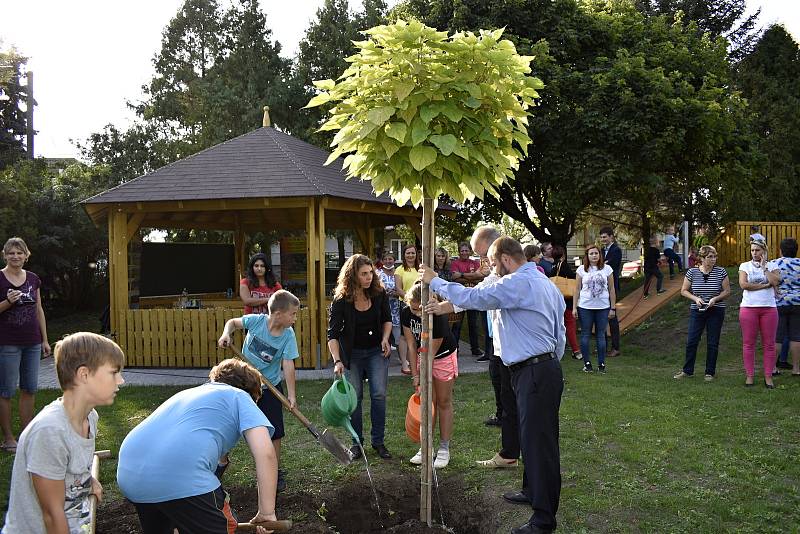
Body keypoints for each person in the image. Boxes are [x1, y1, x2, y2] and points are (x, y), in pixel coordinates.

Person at [421, 236, 565, 534]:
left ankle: (543, 520)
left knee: (540, 446)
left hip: (536, 371)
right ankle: (532, 491)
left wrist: (435, 281)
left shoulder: (517, 283)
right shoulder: (542, 283)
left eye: (492, 263)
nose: (490, 268)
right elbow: (559, 331)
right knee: (531, 438)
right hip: (540, 368)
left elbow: (474, 299)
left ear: (505, 260)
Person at [118, 359, 276, 534]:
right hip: (177, 473)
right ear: (251, 393)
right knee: (226, 524)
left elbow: (215, 459)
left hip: (130, 473)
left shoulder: (191, 394)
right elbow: (266, 453)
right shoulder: (240, 396)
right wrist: (267, 512)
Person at [3, 332, 124, 533]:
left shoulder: (89, 417)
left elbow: (72, 467)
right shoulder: (50, 432)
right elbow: (52, 514)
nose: (121, 381)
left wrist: (87, 480)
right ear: (84, 374)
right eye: (114, 372)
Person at [217, 289, 300, 492]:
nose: (295, 318)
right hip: (242, 385)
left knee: (275, 432)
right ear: (279, 314)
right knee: (229, 424)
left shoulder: (288, 335)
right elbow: (233, 323)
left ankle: (274, 471)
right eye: (293, 314)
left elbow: (288, 364)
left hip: (269, 386)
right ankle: (221, 462)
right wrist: (226, 333)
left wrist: (291, 395)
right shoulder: (256, 321)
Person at [328, 254, 393, 459]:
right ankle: (357, 443)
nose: (369, 277)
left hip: (376, 351)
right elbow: (333, 335)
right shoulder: (341, 300)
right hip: (352, 355)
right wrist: (337, 361)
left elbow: (387, 320)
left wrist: (385, 338)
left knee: (379, 395)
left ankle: (378, 442)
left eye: (370, 273)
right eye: (364, 274)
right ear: (353, 276)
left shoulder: (378, 293)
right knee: (354, 399)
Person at [0, 237, 51, 453]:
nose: (15, 256)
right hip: (7, 343)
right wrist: (8, 302)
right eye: (11, 252)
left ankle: (25, 435)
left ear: (26, 255)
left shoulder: (33, 279)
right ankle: (9, 438)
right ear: (5, 255)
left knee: (29, 388)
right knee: (6, 391)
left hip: (32, 341)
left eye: (19, 253)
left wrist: (45, 339)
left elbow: (39, 309)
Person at [402, 282, 459, 468]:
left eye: (420, 310)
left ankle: (444, 448)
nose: (417, 314)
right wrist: (415, 375)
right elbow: (411, 345)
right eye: (414, 309)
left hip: (442, 356)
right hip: (422, 353)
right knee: (427, 402)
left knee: (442, 401)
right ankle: (426, 447)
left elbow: (431, 355)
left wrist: (423, 374)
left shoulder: (438, 316)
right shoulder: (406, 313)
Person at [673, 245, 731, 380]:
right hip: (697, 310)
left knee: (712, 342)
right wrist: (695, 298)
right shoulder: (692, 272)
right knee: (692, 340)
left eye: (715, 256)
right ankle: (687, 371)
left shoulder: (721, 272)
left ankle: (709, 372)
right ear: (702, 258)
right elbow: (684, 290)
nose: (713, 259)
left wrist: (715, 299)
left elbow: (727, 291)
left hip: (716, 309)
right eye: (710, 257)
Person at [738, 236, 781, 388]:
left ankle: (768, 376)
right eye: (752, 250)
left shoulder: (773, 265)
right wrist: (765, 286)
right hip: (749, 308)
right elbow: (744, 284)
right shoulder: (745, 266)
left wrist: (764, 268)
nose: (754, 253)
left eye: (757, 250)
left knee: (769, 344)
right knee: (748, 343)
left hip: (769, 308)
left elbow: (775, 281)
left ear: (764, 251)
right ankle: (749, 376)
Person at [574, 245, 616, 373]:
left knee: (601, 335)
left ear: (600, 255)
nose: (594, 255)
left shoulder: (607, 269)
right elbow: (577, 289)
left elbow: (612, 288)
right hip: (585, 306)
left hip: (603, 306)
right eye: (591, 253)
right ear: (587, 256)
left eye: (596, 253)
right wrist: (574, 307)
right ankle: (587, 364)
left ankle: (601, 365)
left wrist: (613, 307)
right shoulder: (581, 269)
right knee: (585, 334)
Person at [768, 238, 800, 376]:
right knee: (796, 336)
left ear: (780, 250)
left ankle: (773, 368)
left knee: (777, 336)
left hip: (779, 303)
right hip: (797, 304)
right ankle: (796, 369)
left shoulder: (773, 264)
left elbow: (769, 282)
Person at [450, 242, 486, 357]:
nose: (464, 252)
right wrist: (471, 276)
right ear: (459, 252)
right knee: (457, 325)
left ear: (470, 251)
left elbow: (479, 279)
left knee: (473, 324)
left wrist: (461, 275)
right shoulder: (455, 263)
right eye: (462, 250)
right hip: (459, 297)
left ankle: (475, 349)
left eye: (466, 250)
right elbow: (455, 279)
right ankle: (455, 349)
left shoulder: (475, 263)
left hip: (472, 297)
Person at [378, 251, 410, 375]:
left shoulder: (398, 272)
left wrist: (396, 292)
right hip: (383, 308)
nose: (388, 261)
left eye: (390, 259)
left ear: (394, 260)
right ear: (382, 261)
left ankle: (404, 360)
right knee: (382, 333)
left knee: (399, 335)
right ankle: (381, 360)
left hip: (397, 308)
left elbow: (401, 289)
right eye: (385, 259)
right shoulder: (378, 274)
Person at [550, 245, 581, 360]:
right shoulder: (563, 265)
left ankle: (554, 349)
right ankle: (576, 351)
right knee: (570, 325)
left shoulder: (552, 267)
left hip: (555, 301)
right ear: (563, 254)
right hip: (566, 300)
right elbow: (573, 277)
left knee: (556, 326)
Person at [599, 227, 622, 357]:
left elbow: (608, 266)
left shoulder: (616, 250)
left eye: (605, 237)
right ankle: (602, 346)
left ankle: (615, 347)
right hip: (600, 288)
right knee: (600, 317)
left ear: (611, 237)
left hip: (611, 287)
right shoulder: (601, 251)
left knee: (612, 317)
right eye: (601, 237)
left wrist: (600, 263)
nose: (603, 239)